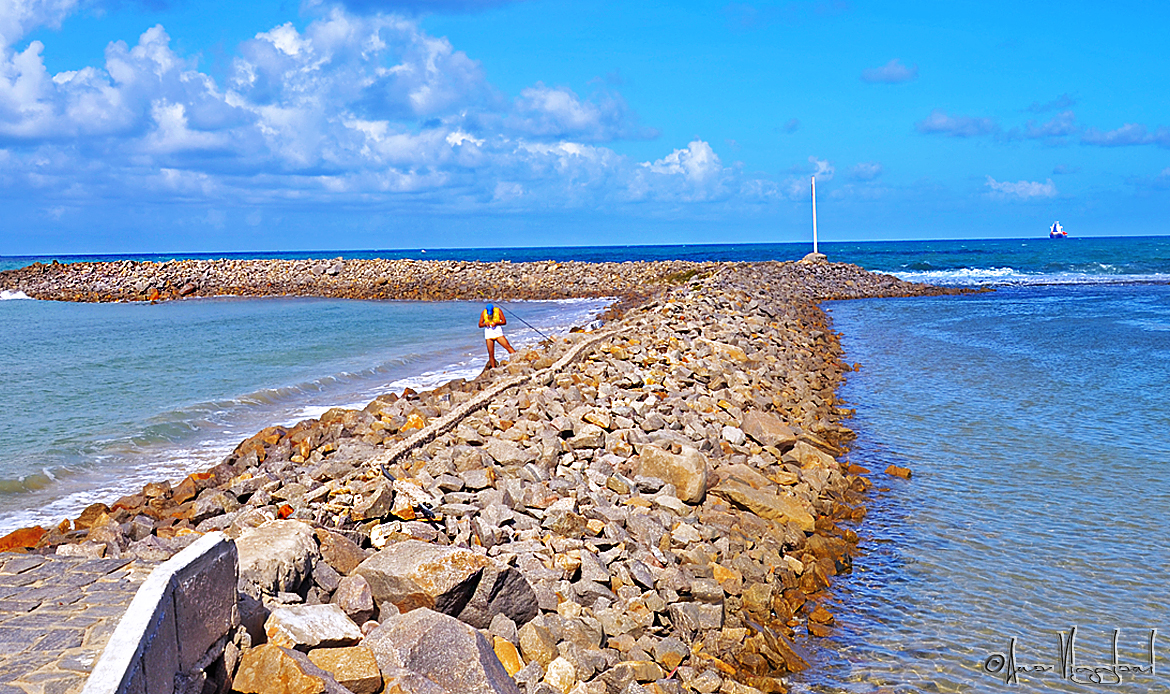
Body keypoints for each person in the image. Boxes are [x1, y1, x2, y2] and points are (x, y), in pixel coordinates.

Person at [479, 303, 516, 368]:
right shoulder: (483, 312)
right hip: (488, 333)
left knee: (507, 346)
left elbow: (504, 322)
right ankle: (493, 368)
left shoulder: (498, 311)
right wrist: (485, 324)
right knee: (491, 353)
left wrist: (496, 323)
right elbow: (480, 324)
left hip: (497, 332)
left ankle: (517, 359)